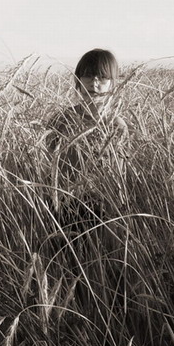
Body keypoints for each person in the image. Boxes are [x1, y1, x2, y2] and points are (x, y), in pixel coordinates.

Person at [45, 48, 129, 235]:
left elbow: (118, 176)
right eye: (88, 76)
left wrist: (118, 217)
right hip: (63, 204)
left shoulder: (116, 126)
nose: (94, 83)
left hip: (100, 209)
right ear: (78, 80)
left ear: (113, 83)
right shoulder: (61, 120)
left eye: (103, 77)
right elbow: (48, 162)